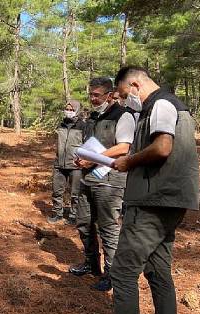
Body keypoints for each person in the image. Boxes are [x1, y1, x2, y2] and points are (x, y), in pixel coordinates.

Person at [79, 66, 200, 314]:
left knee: (121, 271)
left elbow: (162, 147)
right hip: (169, 201)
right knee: (158, 271)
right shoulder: (170, 105)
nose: (123, 101)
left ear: (134, 85)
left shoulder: (160, 104)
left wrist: (127, 161)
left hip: (152, 201)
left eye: (122, 95)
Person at [70, 77, 135, 292]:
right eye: (90, 94)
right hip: (89, 176)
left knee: (108, 227)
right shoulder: (93, 117)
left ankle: (112, 274)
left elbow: (123, 147)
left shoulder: (123, 115)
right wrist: (81, 158)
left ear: (109, 94)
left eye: (97, 95)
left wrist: (93, 159)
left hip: (110, 180)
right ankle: (91, 264)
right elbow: (91, 145)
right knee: (83, 222)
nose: (92, 98)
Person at [49, 99, 84, 225]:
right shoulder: (61, 124)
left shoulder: (83, 126)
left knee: (75, 193)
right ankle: (57, 213)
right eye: (67, 109)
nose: (68, 112)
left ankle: (73, 216)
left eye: (71, 110)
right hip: (59, 163)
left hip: (75, 165)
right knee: (57, 191)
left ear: (77, 111)